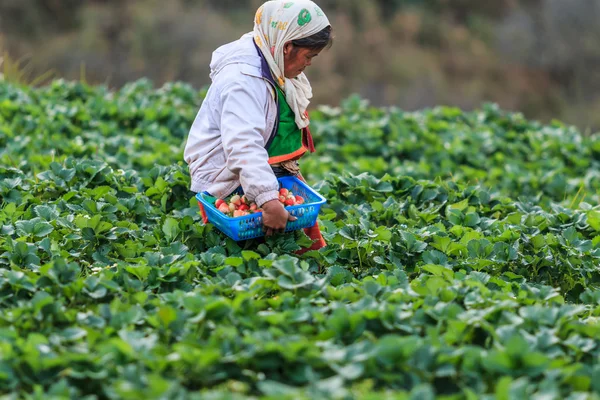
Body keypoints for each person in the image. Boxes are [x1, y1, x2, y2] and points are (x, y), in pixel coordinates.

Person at [184, 0, 332, 253]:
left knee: (301, 246)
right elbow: (243, 146)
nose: (309, 64)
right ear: (287, 47)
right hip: (227, 177)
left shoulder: (270, 59)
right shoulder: (243, 81)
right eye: (308, 56)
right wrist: (267, 199)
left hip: (260, 169)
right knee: (251, 253)